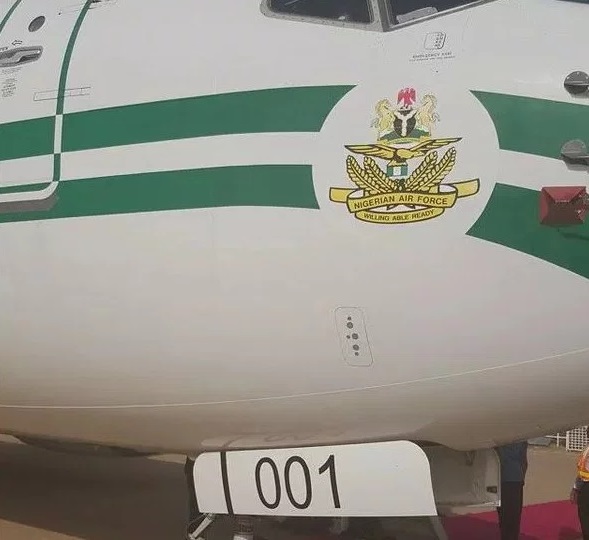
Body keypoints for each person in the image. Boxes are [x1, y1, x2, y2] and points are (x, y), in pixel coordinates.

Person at [496, 441, 529, 540]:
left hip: (502, 478)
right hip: (516, 478)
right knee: (514, 517)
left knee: (503, 516)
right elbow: (524, 461)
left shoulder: (499, 439)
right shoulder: (522, 439)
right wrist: (522, 477)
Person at [570, 426, 589, 539]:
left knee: (585, 516)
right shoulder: (586, 449)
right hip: (584, 486)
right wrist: (575, 488)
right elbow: (581, 471)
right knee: (584, 516)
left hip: (586, 486)